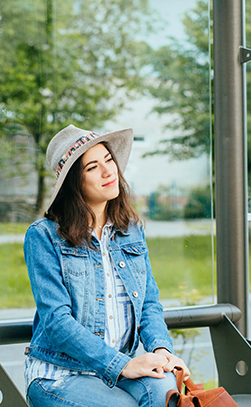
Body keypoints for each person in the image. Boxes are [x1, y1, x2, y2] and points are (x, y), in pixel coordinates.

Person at [23, 124, 190, 407]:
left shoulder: (131, 231)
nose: (108, 171)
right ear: (74, 183)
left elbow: (149, 304)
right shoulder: (43, 236)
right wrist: (121, 365)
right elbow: (56, 322)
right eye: (92, 167)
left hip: (122, 368)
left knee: (166, 396)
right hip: (60, 374)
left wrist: (163, 353)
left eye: (109, 160)